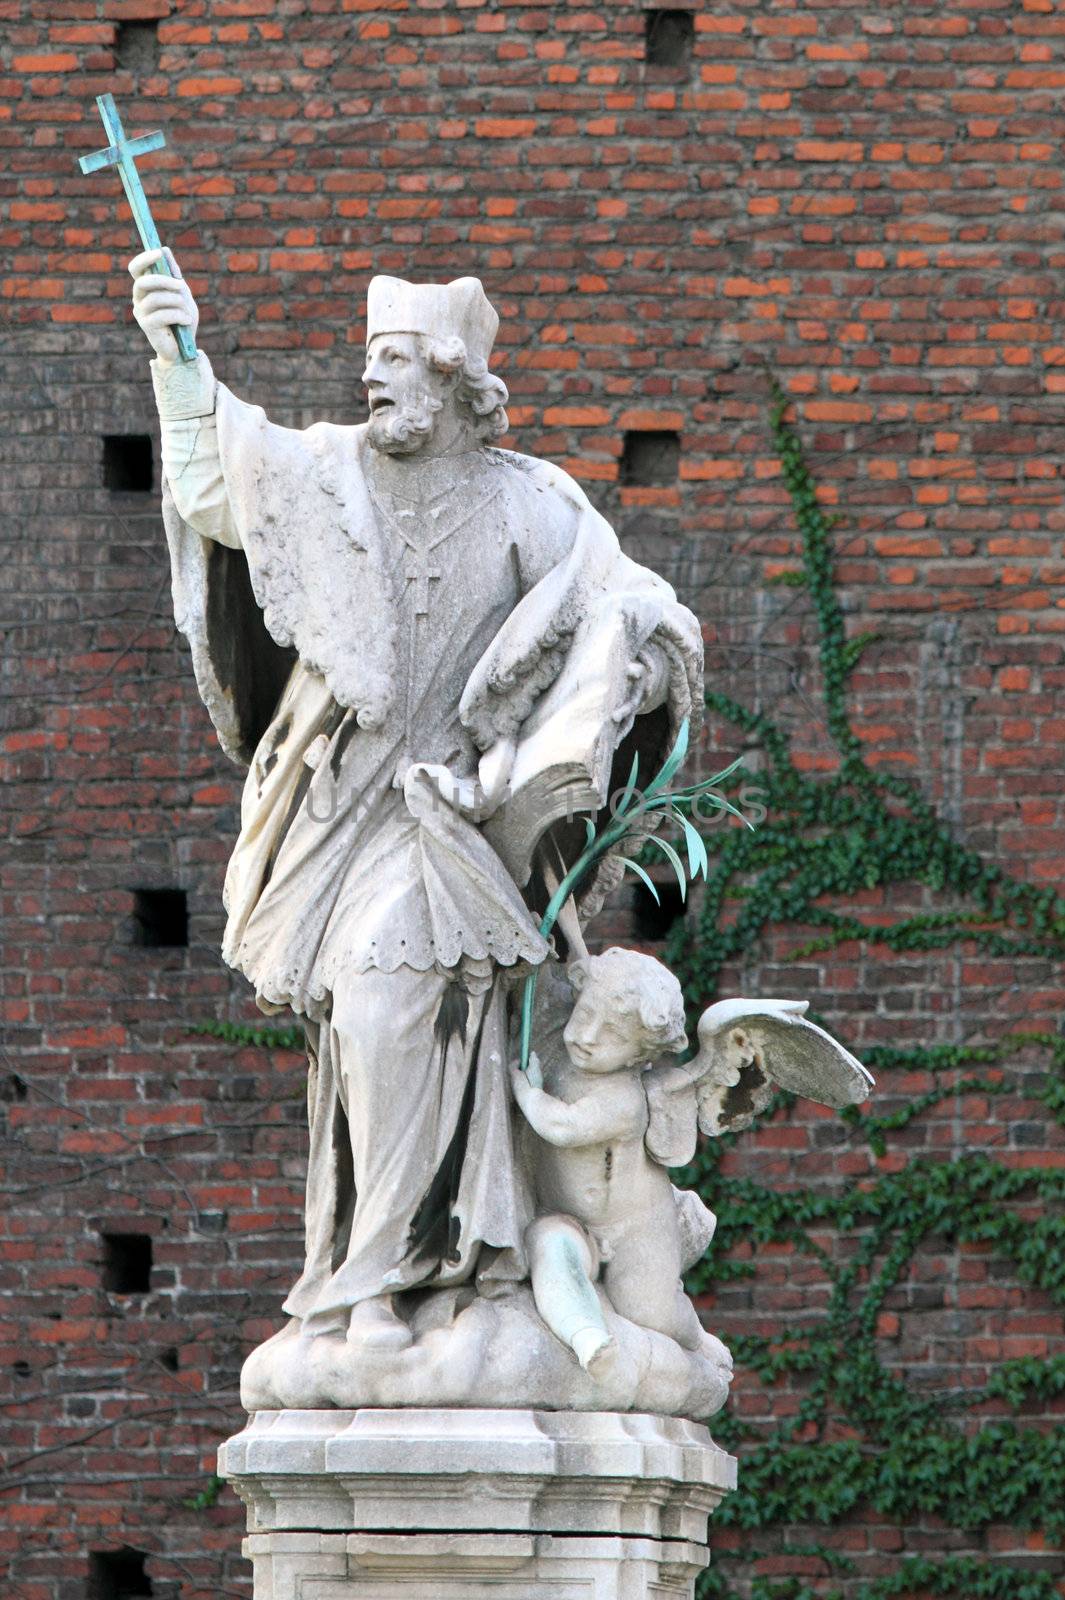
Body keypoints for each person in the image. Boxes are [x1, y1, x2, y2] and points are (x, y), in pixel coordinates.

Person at [130, 249, 704, 1348]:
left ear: (454, 383)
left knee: (395, 996)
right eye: (369, 361)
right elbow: (214, 483)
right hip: (335, 802)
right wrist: (177, 354)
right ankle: (401, 1269)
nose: (370, 381)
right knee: (365, 1029)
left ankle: (386, 1282)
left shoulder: (532, 502)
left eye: (393, 362)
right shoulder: (327, 470)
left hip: (455, 815)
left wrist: (629, 659)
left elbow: (632, 601)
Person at [510, 948, 714, 1375]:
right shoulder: (559, 1058)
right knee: (549, 1249)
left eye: (613, 1035)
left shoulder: (624, 1099)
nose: (587, 1036)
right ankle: (585, 1335)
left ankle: (696, 1338)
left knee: (649, 1311)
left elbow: (563, 1127)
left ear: (642, 1054)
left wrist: (528, 1094)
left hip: (637, 1229)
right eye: (584, 1016)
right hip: (570, 1218)